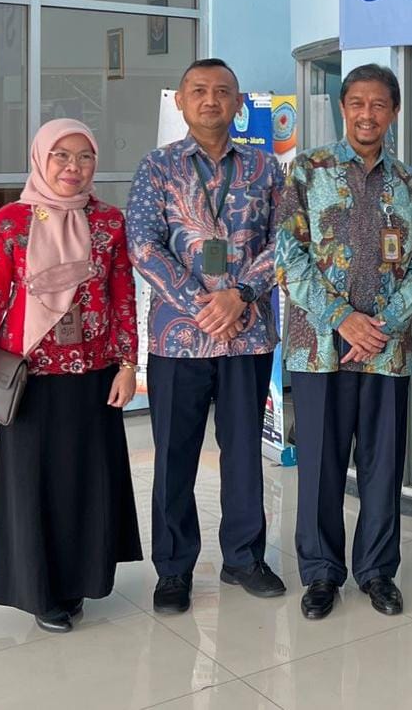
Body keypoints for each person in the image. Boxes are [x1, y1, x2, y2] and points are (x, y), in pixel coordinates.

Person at [0, 119, 142, 632]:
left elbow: (123, 297)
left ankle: (80, 580)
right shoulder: (11, 223)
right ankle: (41, 591)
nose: (72, 167)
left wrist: (128, 365)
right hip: (29, 379)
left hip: (95, 375)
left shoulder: (109, 222)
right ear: (41, 159)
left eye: (84, 157)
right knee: (34, 486)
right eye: (61, 155)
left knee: (86, 483)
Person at [126, 58, 285, 614]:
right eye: (199, 90)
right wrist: (202, 304)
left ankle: (244, 558)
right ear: (181, 101)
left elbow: (286, 240)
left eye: (222, 92)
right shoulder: (158, 167)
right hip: (178, 338)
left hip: (247, 335)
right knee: (175, 455)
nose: (210, 100)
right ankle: (173, 570)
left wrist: (239, 295)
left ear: (238, 103)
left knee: (243, 452)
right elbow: (143, 244)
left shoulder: (266, 168)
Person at [276, 64, 412, 621]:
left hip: (386, 351)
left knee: (382, 467)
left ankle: (377, 571)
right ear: (344, 108)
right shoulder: (307, 170)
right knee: (319, 465)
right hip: (319, 347)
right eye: (358, 103)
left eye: (379, 104)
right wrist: (342, 319)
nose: (368, 114)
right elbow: (288, 257)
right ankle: (321, 573)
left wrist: (379, 325)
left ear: (393, 112)